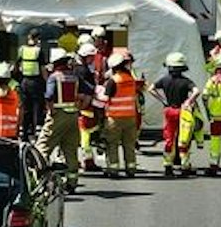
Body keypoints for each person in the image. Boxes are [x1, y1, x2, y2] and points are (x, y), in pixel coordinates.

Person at [37, 47, 84, 184]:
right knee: (70, 149)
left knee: (44, 145)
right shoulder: (74, 77)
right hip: (73, 116)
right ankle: (72, 182)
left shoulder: (54, 77)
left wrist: (51, 110)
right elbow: (84, 94)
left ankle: (38, 177)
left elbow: (49, 96)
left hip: (58, 115)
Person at [150, 52, 199, 176]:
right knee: (184, 138)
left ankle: (168, 164)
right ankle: (184, 165)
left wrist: (163, 100)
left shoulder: (164, 80)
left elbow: (151, 88)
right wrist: (189, 101)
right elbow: (196, 91)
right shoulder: (186, 81)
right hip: (183, 112)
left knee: (169, 137)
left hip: (169, 110)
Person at [99, 50, 144, 178]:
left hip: (115, 118)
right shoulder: (130, 79)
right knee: (129, 144)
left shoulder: (113, 81)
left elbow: (106, 98)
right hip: (130, 117)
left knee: (112, 144)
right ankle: (131, 168)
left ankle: (113, 169)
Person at [74, 40, 103, 173]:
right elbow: (83, 85)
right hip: (85, 106)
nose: (93, 59)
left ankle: (88, 159)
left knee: (88, 133)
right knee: (85, 134)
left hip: (87, 104)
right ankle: (88, 161)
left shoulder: (83, 68)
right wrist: (95, 89)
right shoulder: (81, 70)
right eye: (91, 56)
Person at [15, 28, 47, 141]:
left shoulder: (22, 49)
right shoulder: (39, 51)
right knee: (37, 107)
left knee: (26, 108)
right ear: (38, 38)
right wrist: (47, 82)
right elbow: (43, 69)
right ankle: (36, 132)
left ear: (29, 36)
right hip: (36, 82)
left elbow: (16, 65)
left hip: (24, 81)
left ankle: (24, 133)